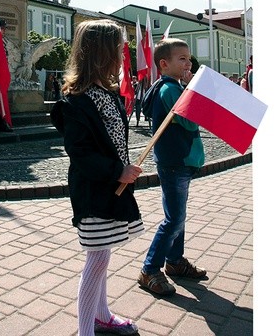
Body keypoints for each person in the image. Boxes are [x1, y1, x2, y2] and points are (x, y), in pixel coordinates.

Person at [51, 19, 144, 336]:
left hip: (109, 190)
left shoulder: (108, 91)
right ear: (103, 52)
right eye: (119, 48)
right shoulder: (78, 98)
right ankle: (85, 330)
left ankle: (101, 315)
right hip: (93, 191)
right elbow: (80, 151)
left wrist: (122, 168)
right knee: (98, 259)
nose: (123, 54)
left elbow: (114, 141)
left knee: (102, 254)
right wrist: (117, 170)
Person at [138, 38, 207, 297]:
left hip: (177, 162)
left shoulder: (171, 87)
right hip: (175, 163)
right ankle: (150, 268)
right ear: (164, 64)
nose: (188, 63)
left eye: (189, 58)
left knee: (177, 216)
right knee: (173, 219)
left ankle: (175, 261)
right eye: (182, 59)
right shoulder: (170, 90)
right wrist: (192, 91)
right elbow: (190, 124)